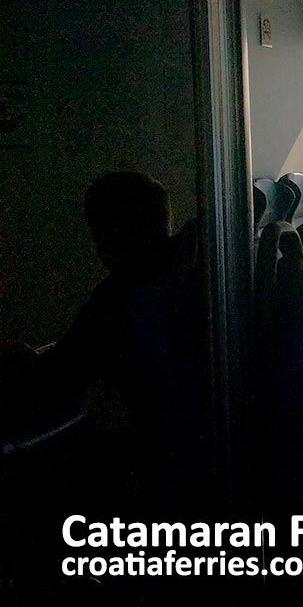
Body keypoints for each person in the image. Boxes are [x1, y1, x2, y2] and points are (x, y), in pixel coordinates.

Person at [12, 171, 208, 511]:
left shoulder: (119, 304)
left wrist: (23, 361)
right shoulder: (197, 266)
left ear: (105, 240)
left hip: (171, 471)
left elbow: (48, 386)